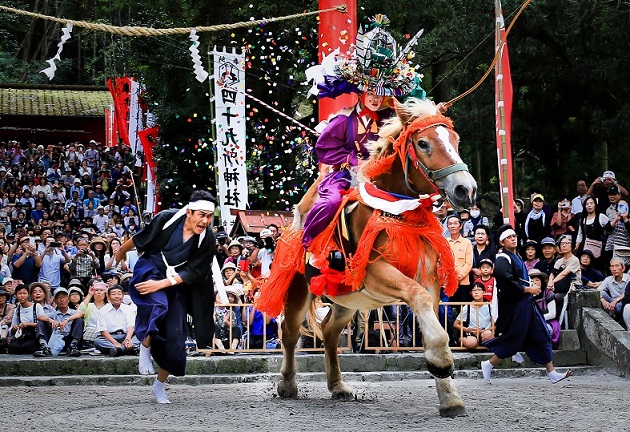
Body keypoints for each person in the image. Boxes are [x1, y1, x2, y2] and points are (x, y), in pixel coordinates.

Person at [301, 15, 425, 249]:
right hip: (347, 176)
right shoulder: (342, 121)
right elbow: (324, 149)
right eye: (371, 93)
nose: (376, 98)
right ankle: (313, 249)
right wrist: (352, 160)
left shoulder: (393, 118)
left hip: (384, 178)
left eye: (381, 93)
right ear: (361, 92)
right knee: (330, 203)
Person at [115, 190, 216, 404]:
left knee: (176, 337)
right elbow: (141, 238)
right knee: (157, 305)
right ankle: (145, 344)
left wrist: (161, 284)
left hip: (176, 281)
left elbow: (196, 271)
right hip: (152, 267)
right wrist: (120, 252)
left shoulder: (208, 239)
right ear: (189, 212)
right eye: (201, 215)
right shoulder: (168, 218)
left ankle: (159, 385)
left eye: (209, 216)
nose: (205, 220)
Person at [481, 225, 572, 384]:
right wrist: (526, 288)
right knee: (515, 339)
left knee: (542, 333)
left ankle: (552, 373)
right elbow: (504, 279)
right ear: (502, 242)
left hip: (526, 303)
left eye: (514, 236)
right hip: (517, 305)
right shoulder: (503, 258)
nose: (513, 238)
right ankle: (488, 364)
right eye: (509, 237)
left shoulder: (516, 256)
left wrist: (529, 289)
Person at [33, 287, 84, 357]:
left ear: (68, 299)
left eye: (64, 297)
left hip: (68, 339)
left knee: (79, 320)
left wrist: (67, 319)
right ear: (55, 301)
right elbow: (39, 317)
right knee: (41, 323)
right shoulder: (53, 313)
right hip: (54, 340)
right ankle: (44, 347)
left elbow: (81, 313)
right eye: (59, 298)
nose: (62, 300)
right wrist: (51, 321)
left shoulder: (73, 312)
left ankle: (73, 346)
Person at [94, 284, 140, 356]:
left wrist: (128, 339)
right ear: (108, 296)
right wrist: (115, 343)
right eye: (113, 294)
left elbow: (131, 326)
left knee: (140, 337)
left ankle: (118, 351)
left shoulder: (128, 309)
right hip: (110, 337)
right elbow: (103, 331)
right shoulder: (103, 310)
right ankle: (127, 349)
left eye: (119, 294)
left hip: (125, 336)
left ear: (123, 296)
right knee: (98, 342)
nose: (117, 296)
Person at [547, 234, 582, 318]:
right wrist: (550, 281)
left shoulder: (575, 260)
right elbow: (552, 274)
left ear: (572, 246)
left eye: (567, 243)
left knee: (552, 298)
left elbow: (564, 273)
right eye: (562, 243)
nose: (564, 245)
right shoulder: (559, 261)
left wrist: (552, 282)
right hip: (558, 289)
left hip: (570, 291)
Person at [453, 282, 494, 349]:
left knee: (488, 335)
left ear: (484, 292)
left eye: (479, 290)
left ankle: (481, 343)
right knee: (471, 343)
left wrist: (482, 331)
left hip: (485, 331)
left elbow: (495, 326)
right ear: (471, 293)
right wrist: (467, 330)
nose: (476, 292)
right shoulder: (467, 307)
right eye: (474, 290)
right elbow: (456, 324)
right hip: (471, 333)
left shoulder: (490, 306)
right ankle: (462, 340)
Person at [575, 195, 609, 271]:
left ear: (595, 205)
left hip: (599, 248)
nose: (589, 205)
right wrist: (576, 246)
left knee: (598, 268)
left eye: (591, 203)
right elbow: (580, 234)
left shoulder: (601, 217)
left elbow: (609, 228)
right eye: (587, 204)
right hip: (586, 247)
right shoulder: (582, 219)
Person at [446, 216, 474, 304]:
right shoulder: (444, 242)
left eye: (455, 223)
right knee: (447, 308)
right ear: (447, 227)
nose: (452, 226)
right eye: (450, 224)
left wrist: (458, 276)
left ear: (461, 226)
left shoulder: (467, 242)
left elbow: (469, 263)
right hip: (447, 282)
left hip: (463, 282)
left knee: (462, 309)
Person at [599, 258, 629, 322]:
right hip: (612, 303)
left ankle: (615, 316)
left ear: (623, 268)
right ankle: (613, 314)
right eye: (612, 266)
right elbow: (597, 291)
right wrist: (604, 301)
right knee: (602, 293)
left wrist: (615, 301)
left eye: (617, 266)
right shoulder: (608, 279)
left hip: (624, 302)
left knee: (618, 307)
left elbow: (627, 293)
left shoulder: (628, 278)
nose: (614, 269)